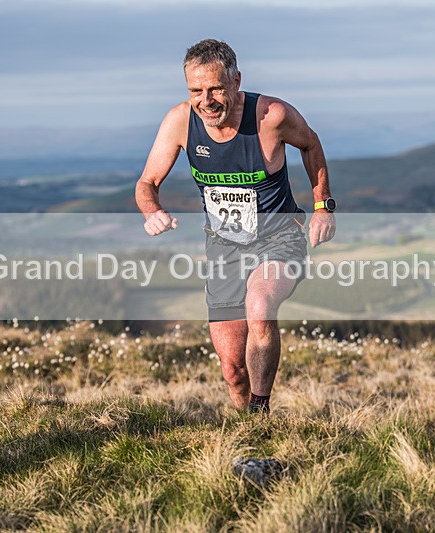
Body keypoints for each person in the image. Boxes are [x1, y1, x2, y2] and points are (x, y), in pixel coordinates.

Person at [135, 39, 336, 412]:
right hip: (224, 247)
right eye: (196, 90)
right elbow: (146, 183)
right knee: (232, 369)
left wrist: (323, 205)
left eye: (215, 89)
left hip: (280, 237)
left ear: (236, 81)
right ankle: (245, 421)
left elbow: (310, 145)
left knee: (259, 306)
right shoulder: (180, 121)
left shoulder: (272, 116)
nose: (206, 100)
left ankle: (261, 417)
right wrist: (152, 212)